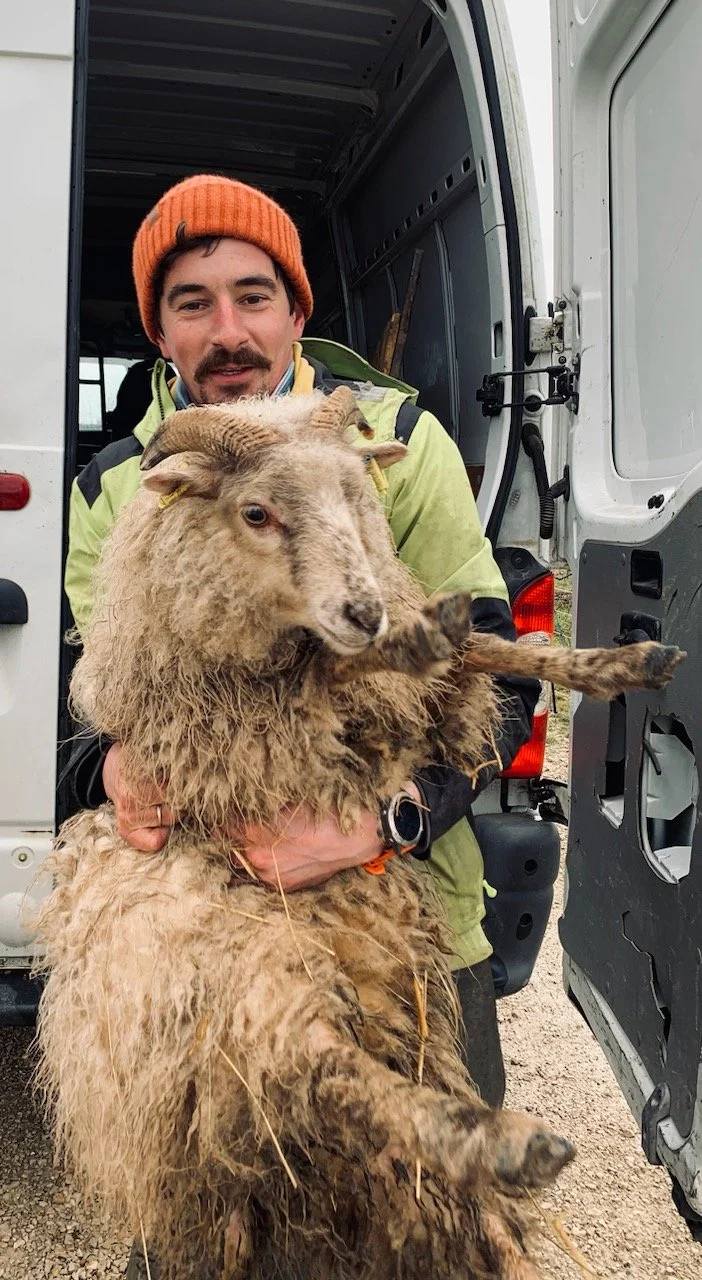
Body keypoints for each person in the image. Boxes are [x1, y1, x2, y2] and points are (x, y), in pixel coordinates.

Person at [65, 173, 537, 1108]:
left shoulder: (398, 444)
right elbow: (83, 698)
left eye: (255, 296)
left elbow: (503, 680)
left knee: (440, 1219)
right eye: (191, 303)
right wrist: (109, 772)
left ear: (294, 312)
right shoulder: (120, 487)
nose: (228, 331)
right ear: (159, 332)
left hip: (406, 920)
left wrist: (382, 822)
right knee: (207, 1221)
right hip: (206, 936)